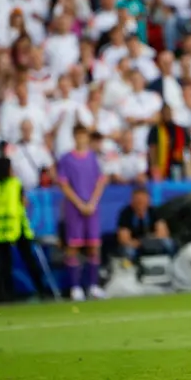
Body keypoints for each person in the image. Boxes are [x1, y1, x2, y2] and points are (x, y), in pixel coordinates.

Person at [0, 157, 51, 302]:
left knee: (3, 265)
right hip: (16, 227)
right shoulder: (14, 184)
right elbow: (24, 202)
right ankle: (42, 290)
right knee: (29, 260)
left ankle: (5, 295)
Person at [58, 125, 108, 301]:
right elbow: (64, 184)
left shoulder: (93, 158)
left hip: (92, 207)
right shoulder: (66, 159)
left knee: (94, 245)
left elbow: (100, 181)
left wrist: (92, 202)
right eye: (78, 135)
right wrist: (80, 204)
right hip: (75, 207)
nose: (82, 139)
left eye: (84, 135)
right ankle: (75, 287)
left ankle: (93, 285)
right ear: (74, 137)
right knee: (74, 245)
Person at [115, 187, 174, 260]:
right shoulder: (125, 213)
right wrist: (139, 243)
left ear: (148, 201)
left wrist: (146, 242)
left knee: (168, 243)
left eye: (143, 200)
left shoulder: (154, 211)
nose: (140, 203)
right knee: (128, 250)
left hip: (152, 242)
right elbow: (124, 239)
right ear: (132, 201)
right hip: (135, 244)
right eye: (138, 200)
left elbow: (163, 233)